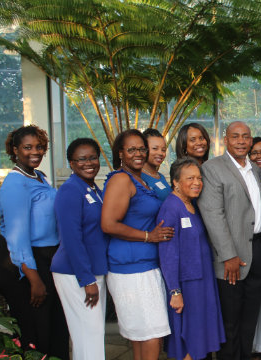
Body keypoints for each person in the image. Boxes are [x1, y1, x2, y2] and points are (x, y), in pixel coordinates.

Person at [0, 125, 70, 359]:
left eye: (39, 147)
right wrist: (33, 278)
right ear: (15, 150)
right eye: (28, 147)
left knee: (54, 324)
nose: (35, 152)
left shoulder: (38, 177)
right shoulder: (15, 183)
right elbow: (17, 235)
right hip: (21, 263)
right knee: (37, 326)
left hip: (44, 257)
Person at [101, 129, 175, 360]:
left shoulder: (139, 179)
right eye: (131, 149)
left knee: (144, 334)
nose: (138, 154)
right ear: (120, 153)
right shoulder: (122, 179)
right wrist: (148, 236)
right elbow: (108, 224)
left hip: (143, 266)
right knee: (152, 332)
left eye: (142, 149)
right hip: (132, 268)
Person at [198, 121, 261, 360]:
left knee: (249, 319)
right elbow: (213, 214)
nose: (241, 141)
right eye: (235, 136)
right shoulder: (212, 168)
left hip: (258, 251)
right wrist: (228, 255)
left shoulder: (255, 169)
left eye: (245, 137)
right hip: (231, 257)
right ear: (226, 140)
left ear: (251, 141)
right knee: (230, 321)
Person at [158, 157, 225, 360]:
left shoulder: (193, 204)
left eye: (199, 178)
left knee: (201, 336)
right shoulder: (171, 207)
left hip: (203, 281)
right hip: (187, 285)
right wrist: (175, 291)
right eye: (190, 178)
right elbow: (167, 253)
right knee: (189, 338)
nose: (197, 182)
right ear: (175, 182)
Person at [51, 138, 108, 360]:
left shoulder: (93, 189)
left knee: (92, 333)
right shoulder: (70, 191)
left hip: (93, 270)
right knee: (88, 333)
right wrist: (87, 280)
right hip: (74, 273)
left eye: (93, 157)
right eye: (81, 159)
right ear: (72, 164)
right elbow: (72, 239)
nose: (89, 163)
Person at [141, 128, 171, 201]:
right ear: (144, 149)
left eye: (163, 150)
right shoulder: (139, 177)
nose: (160, 153)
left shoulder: (160, 176)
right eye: (155, 148)